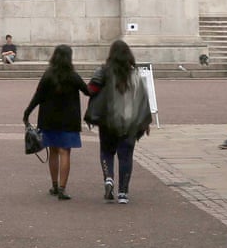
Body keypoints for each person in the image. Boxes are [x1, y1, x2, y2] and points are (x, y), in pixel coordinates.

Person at [85, 39, 151, 204]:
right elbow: (143, 99)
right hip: (130, 121)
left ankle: (108, 178)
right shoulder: (135, 75)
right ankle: (123, 192)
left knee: (107, 152)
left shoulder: (104, 71)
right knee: (126, 156)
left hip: (108, 119)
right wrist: (145, 122)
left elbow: (91, 89)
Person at [23, 44, 90, 200]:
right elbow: (87, 91)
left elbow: (37, 96)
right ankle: (62, 188)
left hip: (49, 119)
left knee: (53, 151)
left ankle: (54, 185)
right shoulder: (73, 76)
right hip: (69, 120)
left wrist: (27, 113)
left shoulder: (48, 75)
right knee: (65, 151)